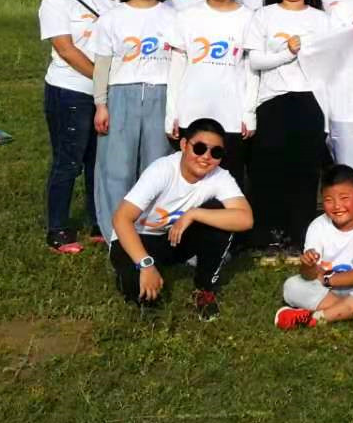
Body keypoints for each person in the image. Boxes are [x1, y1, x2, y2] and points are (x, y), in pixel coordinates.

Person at [107, 118, 253, 321]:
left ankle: (204, 289)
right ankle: (135, 271)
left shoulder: (219, 176)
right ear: (184, 145)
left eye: (216, 152)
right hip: (135, 238)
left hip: (172, 237)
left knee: (218, 214)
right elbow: (121, 219)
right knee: (143, 296)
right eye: (200, 148)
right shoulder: (162, 170)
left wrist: (194, 214)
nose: (206, 158)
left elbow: (245, 219)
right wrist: (146, 264)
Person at [244, 0, 333, 256]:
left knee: (305, 172)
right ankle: (267, 236)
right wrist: (288, 52)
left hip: (310, 101)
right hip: (272, 101)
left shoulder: (322, 20)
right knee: (268, 171)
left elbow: (330, 66)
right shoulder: (263, 16)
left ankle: (300, 238)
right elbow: (255, 60)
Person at [92, 0, 176, 245]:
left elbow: (181, 64)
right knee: (117, 166)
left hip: (162, 95)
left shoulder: (173, 17)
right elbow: (102, 66)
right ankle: (117, 233)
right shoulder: (111, 19)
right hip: (121, 95)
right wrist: (100, 105)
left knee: (157, 166)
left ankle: (151, 232)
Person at [39, 0, 116, 254]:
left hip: (106, 93)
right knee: (68, 161)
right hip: (70, 91)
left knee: (98, 161)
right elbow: (67, 51)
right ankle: (57, 228)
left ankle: (99, 220)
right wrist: (103, 82)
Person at [164, 0, 255, 188]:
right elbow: (177, 66)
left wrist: (249, 113)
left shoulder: (248, 18)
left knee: (229, 179)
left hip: (232, 115)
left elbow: (250, 69)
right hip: (191, 111)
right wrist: (171, 113)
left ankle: (226, 225)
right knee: (189, 178)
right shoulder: (187, 17)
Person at [275, 164, 353, 329]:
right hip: (329, 292)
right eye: (328, 200)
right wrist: (308, 265)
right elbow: (309, 276)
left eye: (344, 198)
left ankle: (315, 318)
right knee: (292, 285)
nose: (337, 206)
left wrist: (327, 279)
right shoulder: (318, 225)